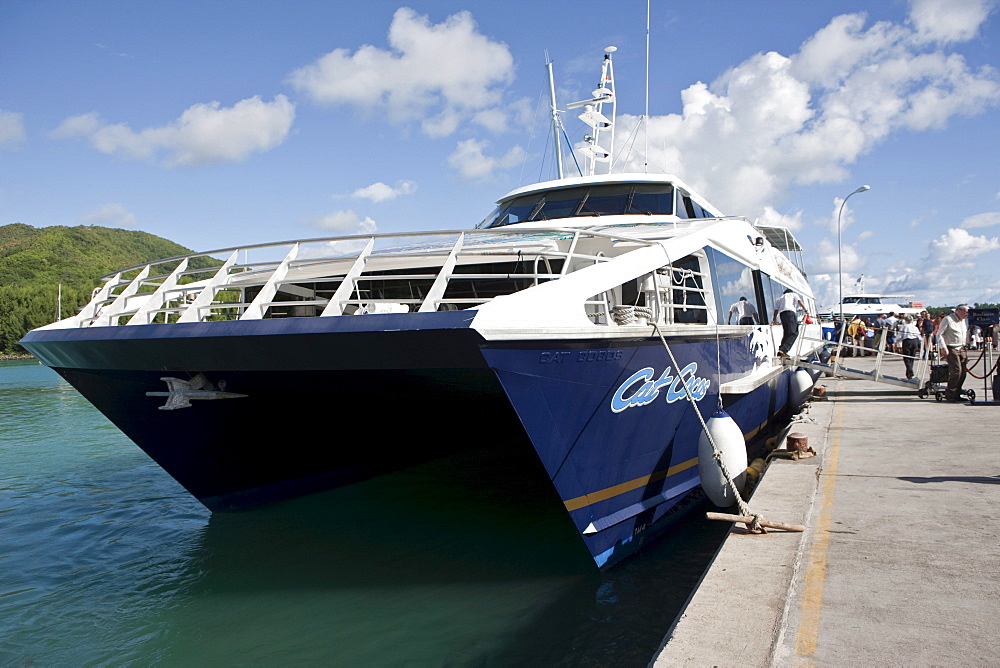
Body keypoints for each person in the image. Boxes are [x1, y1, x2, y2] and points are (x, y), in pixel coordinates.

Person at [937, 304, 971, 402]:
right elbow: (939, 334)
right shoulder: (948, 319)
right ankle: (951, 394)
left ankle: (958, 392)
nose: (967, 314)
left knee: (963, 372)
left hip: (962, 347)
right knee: (956, 371)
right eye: (965, 312)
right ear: (958, 311)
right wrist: (943, 347)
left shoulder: (963, 321)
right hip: (952, 347)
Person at [772, 288, 808, 358]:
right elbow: (799, 301)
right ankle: (784, 349)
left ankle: (781, 351)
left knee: (786, 333)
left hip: (782, 315)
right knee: (794, 332)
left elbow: (776, 310)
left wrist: (774, 319)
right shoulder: (793, 294)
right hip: (790, 313)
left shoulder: (780, 298)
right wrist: (806, 310)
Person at [898, 315, 921, 380]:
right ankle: (909, 373)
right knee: (912, 357)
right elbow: (918, 336)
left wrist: (896, 341)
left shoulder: (904, 327)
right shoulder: (915, 327)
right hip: (914, 341)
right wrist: (920, 343)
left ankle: (910, 370)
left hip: (907, 341)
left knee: (906, 357)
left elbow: (900, 336)